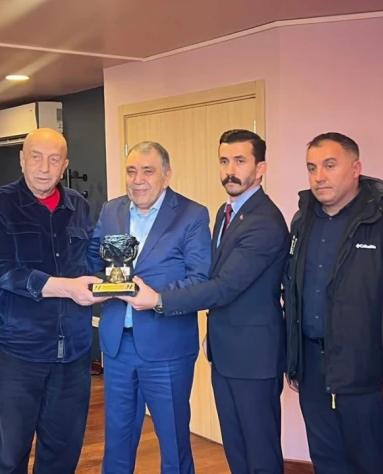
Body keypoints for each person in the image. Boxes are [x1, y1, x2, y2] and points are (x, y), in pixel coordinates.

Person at [123, 129, 289, 474]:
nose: (230, 170)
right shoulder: (227, 212)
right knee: (237, 449)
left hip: (254, 356)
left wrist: (159, 299)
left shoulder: (265, 222)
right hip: (226, 351)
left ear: (260, 168)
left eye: (240, 161)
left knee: (259, 453)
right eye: (224, 161)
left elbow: (223, 286)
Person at [0, 128, 104, 474]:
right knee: (7, 455)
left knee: (62, 454)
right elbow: (2, 270)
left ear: (64, 165)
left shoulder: (79, 207)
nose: (44, 168)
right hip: (19, 351)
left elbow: (90, 263)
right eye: (36, 157)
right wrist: (67, 288)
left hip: (73, 353)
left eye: (53, 159)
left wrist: (113, 281)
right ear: (22, 160)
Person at [284, 132, 383, 473]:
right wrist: (293, 359)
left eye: (329, 165)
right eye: (312, 168)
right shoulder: (302, 220)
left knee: (369, 463)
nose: (319, 176)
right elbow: (292, 291)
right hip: (312, 365)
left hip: (366, 368)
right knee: (326, 462)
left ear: (356, 168)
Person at [88, 141, 211, 474]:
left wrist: (156, 297)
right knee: (117, 441)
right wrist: (98, 285)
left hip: (167, 348)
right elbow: (93, 261)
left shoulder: (192, 215)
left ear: (166, 176)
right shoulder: (111, 211)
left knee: (173, 444)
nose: (138, 179)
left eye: (147, 171)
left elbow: (200, 280)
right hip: (117, 345)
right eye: (131, 171)